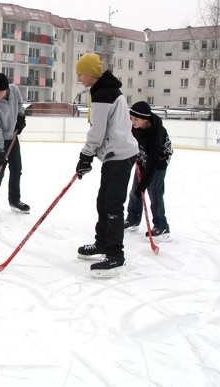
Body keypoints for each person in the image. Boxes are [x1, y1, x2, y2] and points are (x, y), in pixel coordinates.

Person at [73, 54, 139, 277]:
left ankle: (115, 256)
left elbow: (97, 131)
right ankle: (102, 243)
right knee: (104, 202)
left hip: (119, 156)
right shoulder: (105, 89)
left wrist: (86, 155)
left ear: (91, 72)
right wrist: (90, 156)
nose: (79, 77)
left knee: (112, 206)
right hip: (114, 155)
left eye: (81, 73)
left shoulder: (103, 93)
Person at [0, 72, 29, 220]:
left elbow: (20, 103)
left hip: (12, 135)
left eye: (0, 91)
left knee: (17, 168)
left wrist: (21, 117)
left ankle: (14, 200)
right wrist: (0, 151)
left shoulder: (14, 90)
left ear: (7, 89)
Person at [124, 101, 172, 239]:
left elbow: (153, 163)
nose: (132, 122)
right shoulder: (135, 127)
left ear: (145, 119)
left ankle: (161, 226)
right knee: (134, 191)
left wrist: (142, 186)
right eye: (131, 118)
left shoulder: (156, 133)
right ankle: (133, 219)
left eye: (136, 119)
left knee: (154, 193)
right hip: (144, 158)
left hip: (158, 163)